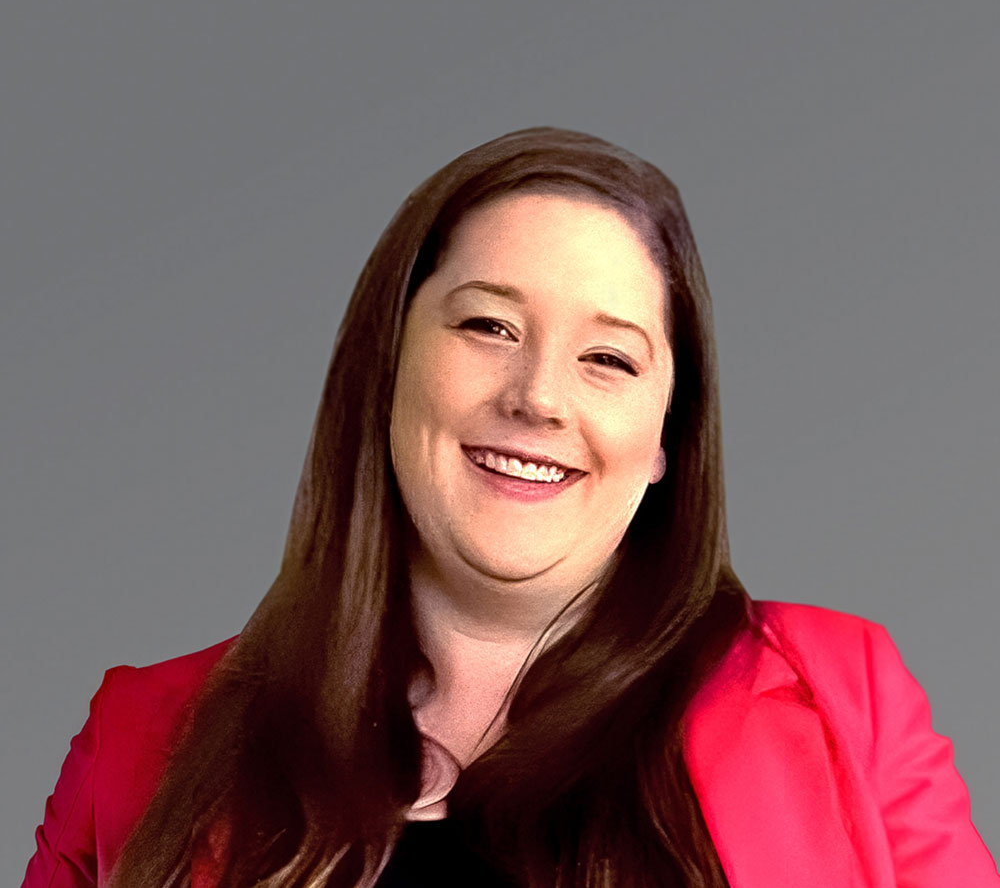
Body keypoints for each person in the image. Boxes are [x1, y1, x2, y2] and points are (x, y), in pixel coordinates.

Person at [23, 127, 998, 888]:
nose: (537, 396)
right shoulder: (138, 742)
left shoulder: (843, 701)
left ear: (667, 436)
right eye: (489, 325)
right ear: (388, 365)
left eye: (608, 358)